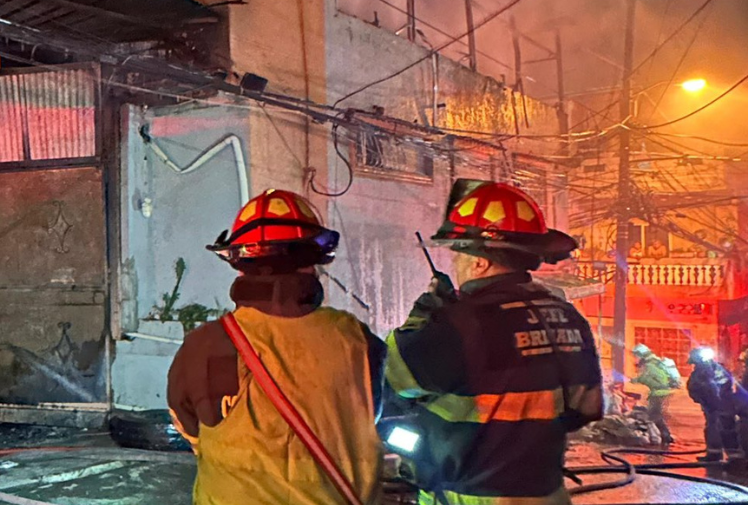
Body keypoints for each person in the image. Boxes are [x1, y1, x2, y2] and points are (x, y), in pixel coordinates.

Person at [385, 179, 604, 505]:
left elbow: (390, 381)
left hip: (471, 496)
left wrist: (423, 317)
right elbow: (587, 409)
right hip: (547, 494)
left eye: (457, 255)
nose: (455, 264)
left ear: (479, 262)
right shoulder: (567, 315)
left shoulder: (460, 323)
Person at [168, 188, 384, 505]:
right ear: (312, 264)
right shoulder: (358, 340)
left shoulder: (206, 344)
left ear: (240, 265)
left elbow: (190, 427)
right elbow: (374, 413)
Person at [631, 344, 680, 445]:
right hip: (660, 393)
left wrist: (637, 380)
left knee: (654, 416)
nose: (635, 358)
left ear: (641, 355)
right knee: (656, 415)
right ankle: (664, 436)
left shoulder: (650, 365)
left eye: (636, 356)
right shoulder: (655, 363)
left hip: (659, 394)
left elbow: (656, 380)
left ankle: (665, 437)